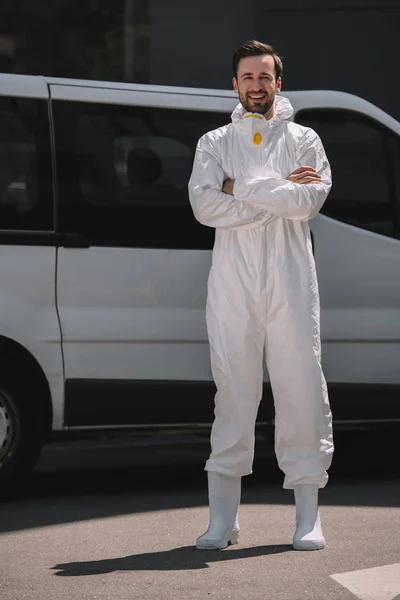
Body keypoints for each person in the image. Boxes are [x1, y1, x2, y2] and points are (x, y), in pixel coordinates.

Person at [188, 40, 334, 551]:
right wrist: (275, 191)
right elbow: (204, 207)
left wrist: (239, 187)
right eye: (247, 77)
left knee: (301, 391)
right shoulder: (213, 143)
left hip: (292, 284)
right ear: (234, 84)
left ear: (278, 83)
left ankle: (308, 519)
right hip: (233, 286)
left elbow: (309, 200)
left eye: (264, 77)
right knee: (233, 394)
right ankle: (222, 521)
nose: (256, 85)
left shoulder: (304, 140)